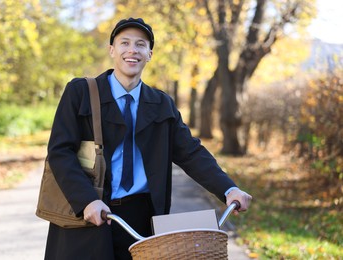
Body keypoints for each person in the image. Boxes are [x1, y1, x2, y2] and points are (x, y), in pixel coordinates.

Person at [44, 17, 252, 260]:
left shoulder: (161, 104)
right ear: (112, 50)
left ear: (150, 54)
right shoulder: (80, 92)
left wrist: (228, 188)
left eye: (141, 45)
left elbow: (191, 152)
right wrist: (86, 200)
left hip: (142, 220)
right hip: (90, 212)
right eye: (125, 43)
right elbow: (60, 152)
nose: (132, 50)